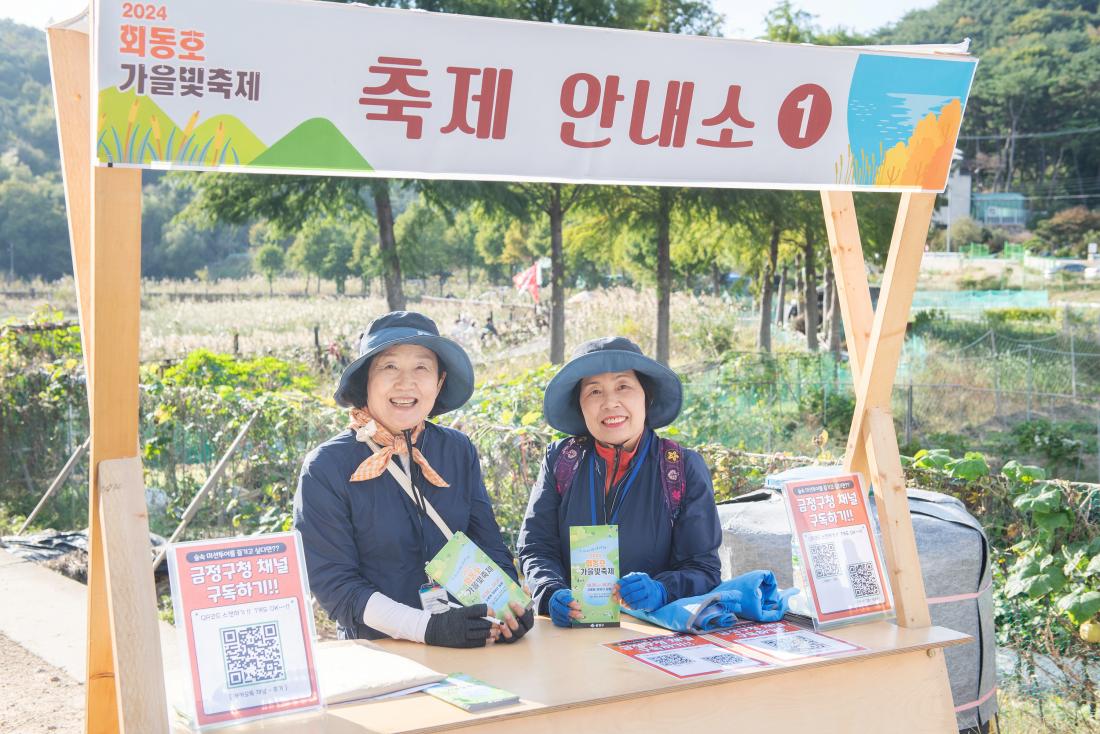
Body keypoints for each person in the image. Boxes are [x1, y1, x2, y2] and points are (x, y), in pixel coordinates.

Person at [294, 311, 533, 647]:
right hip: (380, 654)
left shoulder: (457, 450)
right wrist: (426, 628)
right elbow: (336, 585)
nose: (406, 382)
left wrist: (510, 609)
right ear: (365, 383)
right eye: (389, 366)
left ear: (439, 382)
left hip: (469, 644)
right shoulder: (327, 467)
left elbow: (486, 542)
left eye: (421, 367)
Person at [517, 336, 722, 627]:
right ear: (580, 405)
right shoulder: (561, 460)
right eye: (594, 391)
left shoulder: (681, 468)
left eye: (623, 386)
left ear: (646, 397)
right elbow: (536, 546)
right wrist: (549, 593)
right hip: (571, 637)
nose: (610, 402)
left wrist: (662, 589)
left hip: (653, 639)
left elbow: (703, 568)